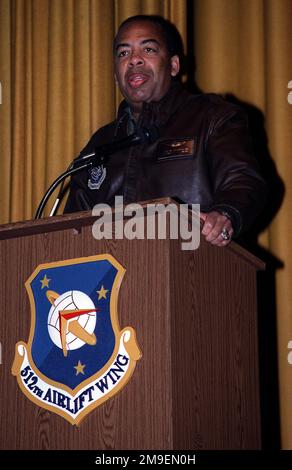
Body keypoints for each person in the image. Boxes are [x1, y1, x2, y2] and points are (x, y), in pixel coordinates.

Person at [64, 15, 266, 246]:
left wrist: (226, 214)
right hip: (110, 279)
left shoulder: (211, 116)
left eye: (148, 49)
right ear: (115, 77)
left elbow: (243, 181)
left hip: (193, 265)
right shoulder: (101, 143)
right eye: (123, 53)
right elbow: (72, 229)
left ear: (173, 65)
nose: (134, 60)